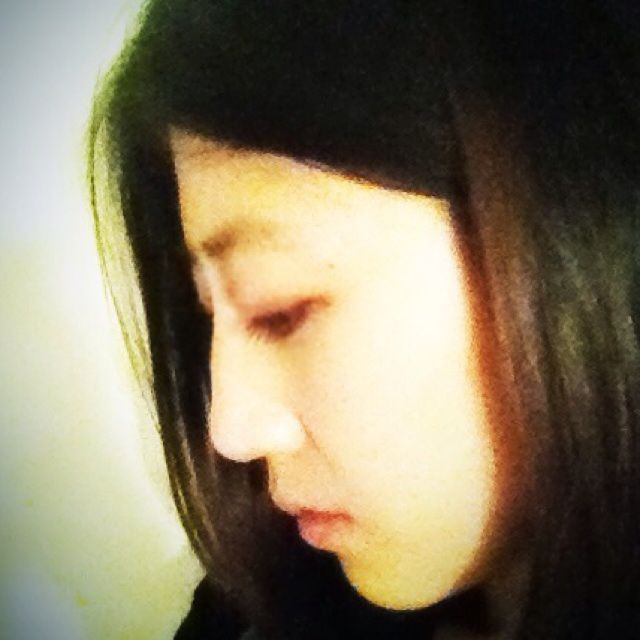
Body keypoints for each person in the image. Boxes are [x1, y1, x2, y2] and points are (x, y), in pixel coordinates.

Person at [87, 1, 640, 638]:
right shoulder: (260, 608)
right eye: (207, 320)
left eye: (279, 308)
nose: (232, 433)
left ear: (572, 228)